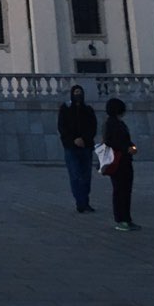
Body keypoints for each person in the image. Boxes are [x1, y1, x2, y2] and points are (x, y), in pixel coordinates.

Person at [57, 84, 97, 213]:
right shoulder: (65, 109)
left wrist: (84, 139)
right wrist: (73, 140)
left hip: (86, 146)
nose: (78, 95)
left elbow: (92, 127)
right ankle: (80, 202)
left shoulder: (88, 110)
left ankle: (85, 201)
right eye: (76, 92)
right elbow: (62, 128)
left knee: (86, 176)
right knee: (75, 175)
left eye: (80, 92)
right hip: (71, 147)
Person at [102, 98, 139, 231]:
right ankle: (121, 219)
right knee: (120, 190)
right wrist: (126, 148)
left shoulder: (118, 123)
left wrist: (131, 146)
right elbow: (111, 142)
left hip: (125, 160)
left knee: (126, 190)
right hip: (118, 160)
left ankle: (127, 218)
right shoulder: (111, 124)